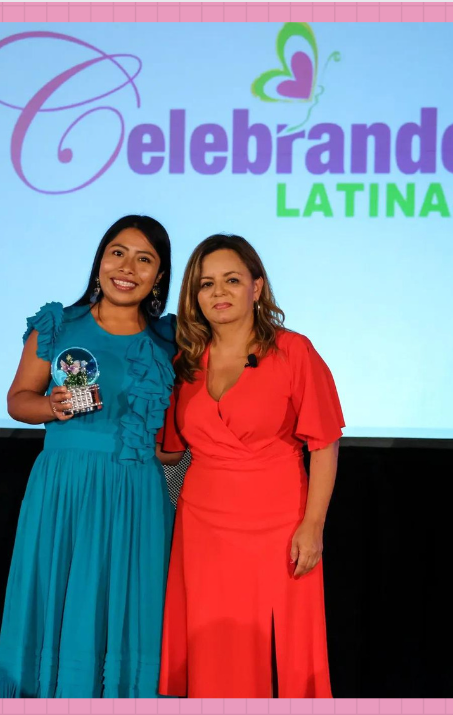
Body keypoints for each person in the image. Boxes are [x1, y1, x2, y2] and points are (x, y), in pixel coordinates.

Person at [0, 215, 179, 698]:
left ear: (159, 275)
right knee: (58, 603)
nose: (127, 267)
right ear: (100, 260)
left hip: (136, 493)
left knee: (127, 609)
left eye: (145, 259)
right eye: (117, 252)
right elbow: (18, 399)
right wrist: (49, 407)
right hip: (64, 488)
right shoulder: (59, 325)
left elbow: (174, 431)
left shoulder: (170, 342)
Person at [157, 234, 344, 698]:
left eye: (232, 280)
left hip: (279, 526)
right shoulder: (185, 362)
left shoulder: (294, 351)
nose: (218, 293)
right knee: (214, 651)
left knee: (285, 656)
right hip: (201, 528)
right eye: (206, 284)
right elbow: (170, 450)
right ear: (194, 296)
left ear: (256, 288)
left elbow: (324, 444)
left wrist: (313, 525)